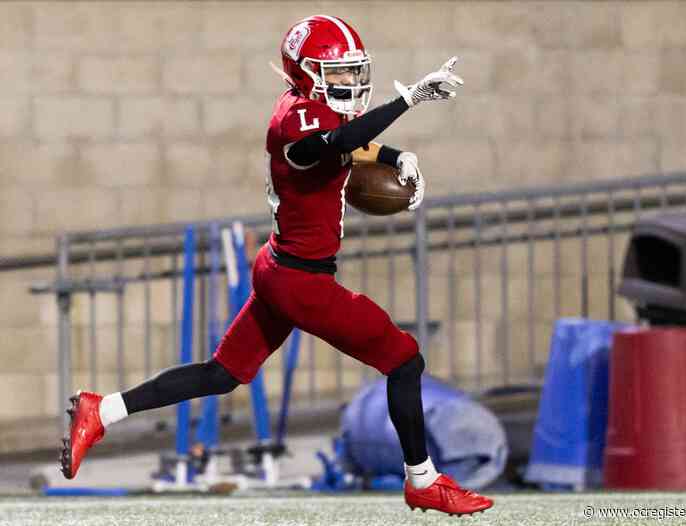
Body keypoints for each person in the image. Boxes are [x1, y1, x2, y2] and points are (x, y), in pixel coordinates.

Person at [61, 14, 493, 516]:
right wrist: (408, 100)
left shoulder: (311, 110)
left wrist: (398, 155)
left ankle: (102, 409)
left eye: (355, 73)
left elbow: (347, 140)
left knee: (222, 374)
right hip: (302, 282)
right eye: (339, 75)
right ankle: (423, 479)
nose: (351, 84)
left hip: (278, 267)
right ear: (305, 72)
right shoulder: (296, 121)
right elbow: (334, 144)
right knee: (405, 359)